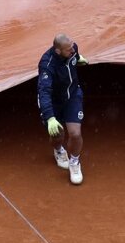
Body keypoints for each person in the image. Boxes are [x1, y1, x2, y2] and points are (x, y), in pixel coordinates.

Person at [37, 33, 88, 185]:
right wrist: (50, 117)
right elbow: (44, 91)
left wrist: (78, 58)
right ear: (58, 51)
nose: (72, 51)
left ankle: (74, 162)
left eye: (73, 47)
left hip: (72, 96)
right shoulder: (47, 64)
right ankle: (59, 149)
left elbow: (75, 54)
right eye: (68, 50)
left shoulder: (72, 49)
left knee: (75, 133)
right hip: (53, 101)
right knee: (57, 134)